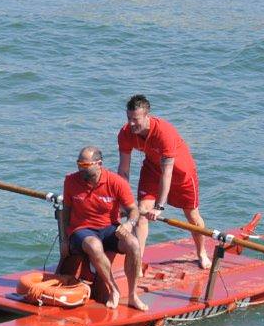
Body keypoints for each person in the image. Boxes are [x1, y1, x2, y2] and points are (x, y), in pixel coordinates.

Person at [117, 94, 212, 269]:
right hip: (153, 169)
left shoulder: (164, 133)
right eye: (128, 118)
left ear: (148, 116)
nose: (131, 124)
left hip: (181, 174)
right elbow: (123, 169)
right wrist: (122, 201)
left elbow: (167, 173)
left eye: (135, 119)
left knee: (192, 216)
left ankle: (202, 252)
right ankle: (138, 261)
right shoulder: (125, 133)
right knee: (141, 213)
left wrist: (159, 207)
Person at [61, 146, 148, 311]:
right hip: (81, 230)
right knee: (94, 245)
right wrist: (65, 240)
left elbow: (133, 210)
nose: (80, 168)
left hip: (109, 228)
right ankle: (114, 289)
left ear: (99, 164)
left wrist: (129, 224)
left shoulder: (116, 182)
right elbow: (66, 211)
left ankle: (132, 295)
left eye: (85, 165)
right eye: (79, 163)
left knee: (134, 244)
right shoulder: (70, 181)